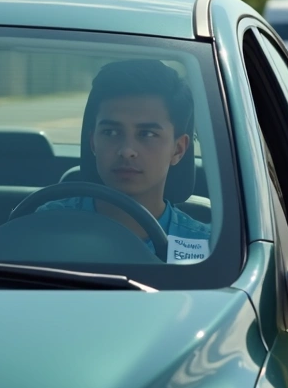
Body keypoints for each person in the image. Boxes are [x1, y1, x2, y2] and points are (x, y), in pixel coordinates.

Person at [37, 59, 210, 263]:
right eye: (110, 132)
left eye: (147, 134)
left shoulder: (205, 247)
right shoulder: (48, 225)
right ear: (93, 143)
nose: (127, 151)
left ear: (178, 149)